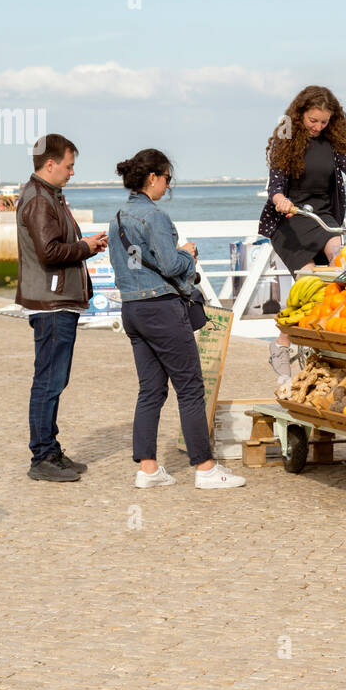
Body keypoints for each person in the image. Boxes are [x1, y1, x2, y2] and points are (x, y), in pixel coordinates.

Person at [109, 149, 245, 490]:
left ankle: (149, 469)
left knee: (150, 390)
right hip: (161, 309)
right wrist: (189, 254)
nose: (169, 186)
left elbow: (132, 267)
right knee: (189, 388)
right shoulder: (153, 217)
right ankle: (205, 468)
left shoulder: (118, 218)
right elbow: (170, 267)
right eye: (168, 179)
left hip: (133, 310)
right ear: (152, 178)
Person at [258, 85, 346, 381]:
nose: (318, 127)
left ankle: (332, 337)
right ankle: (282, 343)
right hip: (291, 218)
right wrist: (280, 201)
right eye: (312, 120)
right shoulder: (285, 140)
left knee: (343, 265)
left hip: (324, 217)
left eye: (324, 122)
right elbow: (275, 185)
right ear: (300, 114)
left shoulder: (333, 144)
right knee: (308, 279)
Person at [15, 134, 107, 482]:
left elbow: (54, 246)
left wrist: (85, 245)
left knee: (53, 378)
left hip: (54, 300)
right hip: (51, 303)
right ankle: (42, 456)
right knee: (49, 380)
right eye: (69, 166)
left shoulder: (45, 194)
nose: (72, 172)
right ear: (49, 164)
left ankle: (49, 449)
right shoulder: (40, 199)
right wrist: (84, 246)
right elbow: (49, 252)